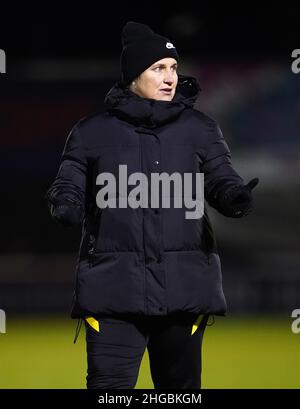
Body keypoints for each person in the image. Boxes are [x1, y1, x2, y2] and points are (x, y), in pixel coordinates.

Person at [45, 21, 259, 389]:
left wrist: (233, 196)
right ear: (132, 75)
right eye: (158, 68)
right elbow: (67, 184)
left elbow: (221, 178)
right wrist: (65, 202)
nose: (170, 77)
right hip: (113, 293)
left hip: (184, 292)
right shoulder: (90, 132)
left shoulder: (200, 128)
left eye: (174, 68)